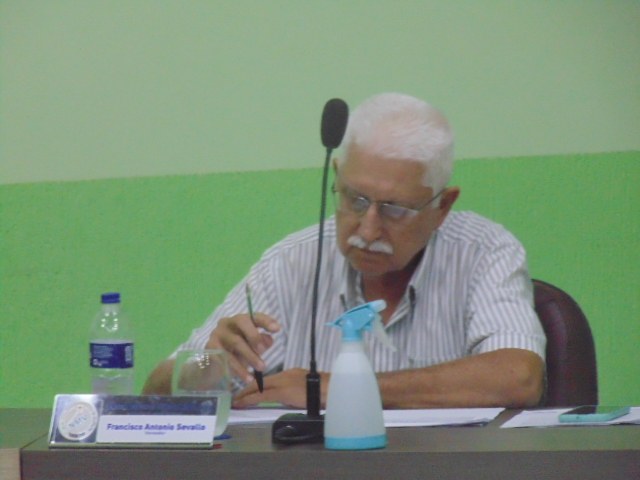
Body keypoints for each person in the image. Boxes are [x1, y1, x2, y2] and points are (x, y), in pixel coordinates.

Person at [143, 92, 546, 409]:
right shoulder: (292, 263)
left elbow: (519, 377)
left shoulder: (483, 252)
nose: (367, 230)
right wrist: (207, 365)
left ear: (442, 207)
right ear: (336, 175)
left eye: (394, 209)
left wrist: (338, 389)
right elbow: (155, 391)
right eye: (355, 199)